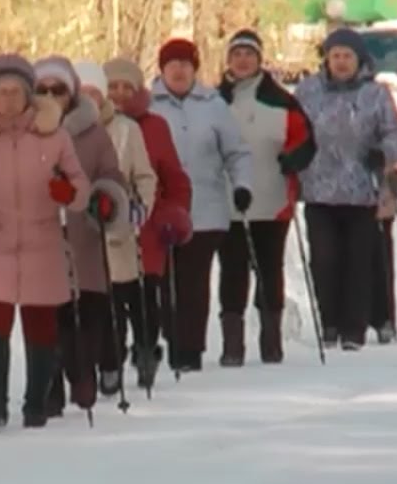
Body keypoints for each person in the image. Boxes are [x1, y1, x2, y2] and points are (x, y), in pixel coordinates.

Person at [0, 53, 91, 428]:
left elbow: (81, 189)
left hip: (42, 240)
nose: (8, 99)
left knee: (41, 322)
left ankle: (35, 404)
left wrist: (66, 191)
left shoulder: (53, 136)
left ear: (29, 94)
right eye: (0, 92)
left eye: (15, 91)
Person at [294, 28, 397, 351]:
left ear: (359, 60)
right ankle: (329, 322)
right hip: (319, 189)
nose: (341, 62)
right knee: (324, 260)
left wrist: (383, 153)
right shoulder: (307, 91)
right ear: (326, 60)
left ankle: (354, 328)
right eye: (336, 56)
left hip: (362, 191)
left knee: (359, 261)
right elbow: (292, 129)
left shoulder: (376, 94)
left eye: (348, 56)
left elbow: (396, 134)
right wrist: (292, 155)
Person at [31, 55, 129, 417]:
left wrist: (104, 199)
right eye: (42, 90)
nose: (50, 95)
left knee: (87, 317)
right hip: (39, 237)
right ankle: (49, 389)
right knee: (46, 317)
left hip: (83, 235)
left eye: (58, 89)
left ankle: (82, 373)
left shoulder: (92, 131)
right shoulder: (22, 132)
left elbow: (111, 174)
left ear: (70, 93)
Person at [149, 38, 253, 373]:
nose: (178, 70)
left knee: (194, 282)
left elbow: (236, 152)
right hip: (159, 212)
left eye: (185, 64)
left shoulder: (213, 105)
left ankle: (190, 349)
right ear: (161, 69)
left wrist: (242, 186)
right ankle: (169, 337)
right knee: (164, 282)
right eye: (172, 64)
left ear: (195, 69)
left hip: (205, 210)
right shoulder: (149, 106)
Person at [215, 29, 317, 366]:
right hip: (228, 202)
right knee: (232, 272)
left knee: (270, 271)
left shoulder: (282, 101)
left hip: (273, 201)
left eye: (249, 54)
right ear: (228, 60)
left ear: (260, 60)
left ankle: (271, 342)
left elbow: (305, 140)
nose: (243, 60)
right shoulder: (214, 101)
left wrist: (295, 158)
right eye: (237, 54)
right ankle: (232, 345)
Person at [103, 56, 194, 391]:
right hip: (105, 227)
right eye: (113, 87)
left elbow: (174, 180)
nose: (120, 94)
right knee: (110, 300)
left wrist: (174, 215)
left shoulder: (154, 126)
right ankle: (110, 359)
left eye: (128, 87)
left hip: (147, 226)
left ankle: (146, 351)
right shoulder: (91, 125)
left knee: (142, 298)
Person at [73, 60, 158, 397]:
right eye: (82, 94)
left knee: (118, 300)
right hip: (78, 236)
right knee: (87, 305)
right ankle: (92, 367)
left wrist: (140, 209)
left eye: (95, 94)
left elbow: (145, 177)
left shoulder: (125, 129)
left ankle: (117, 362)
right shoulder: (61, 133)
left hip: (118, 231)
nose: (88, 100)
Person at [368, 148, 397, 344]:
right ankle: (345, 321)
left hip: (380, 199)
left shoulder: (383, 117)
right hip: (340, 200)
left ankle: (384, 319)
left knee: (381, 262)